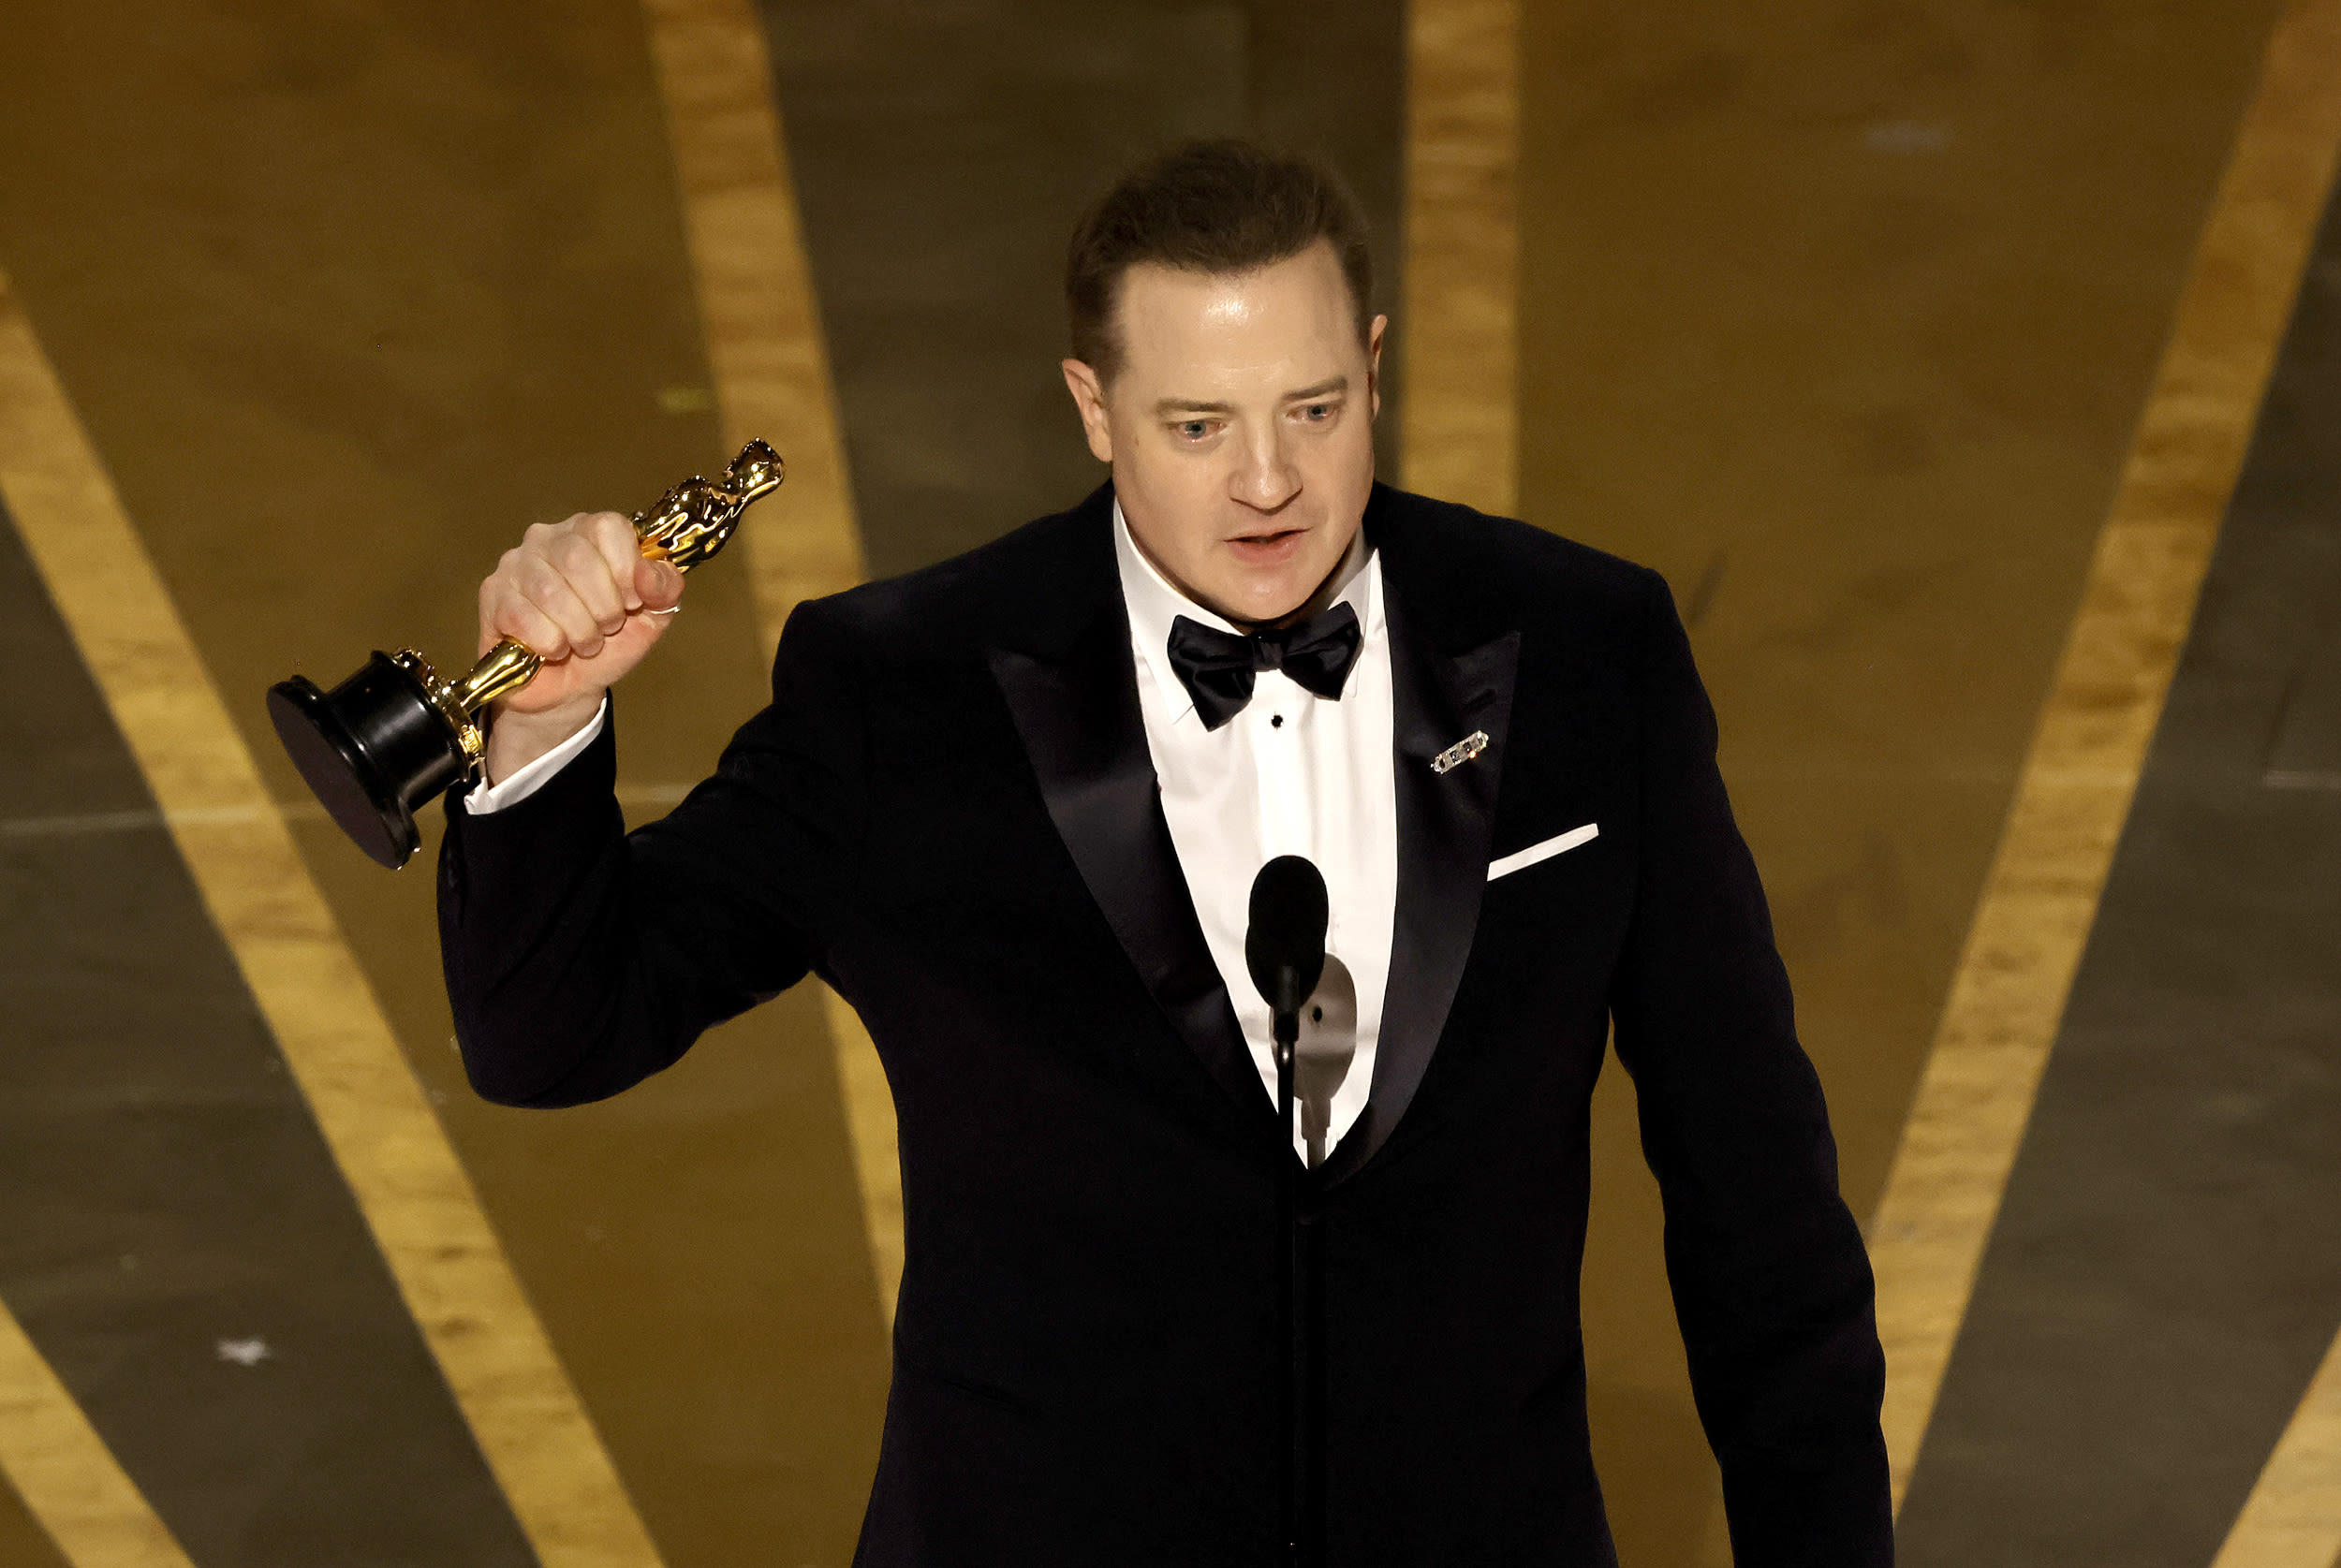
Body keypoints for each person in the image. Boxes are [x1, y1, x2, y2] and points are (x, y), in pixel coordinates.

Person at [439, 139, 1892, 1565]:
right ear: (1094, 405)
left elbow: (1755, 1200)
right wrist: (545, 729)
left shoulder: (1588, 651)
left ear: (1374, 366)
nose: (1269, 481)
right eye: (1198, 426)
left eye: (1314, 410)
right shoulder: (906, 691)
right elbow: (552, 1032)